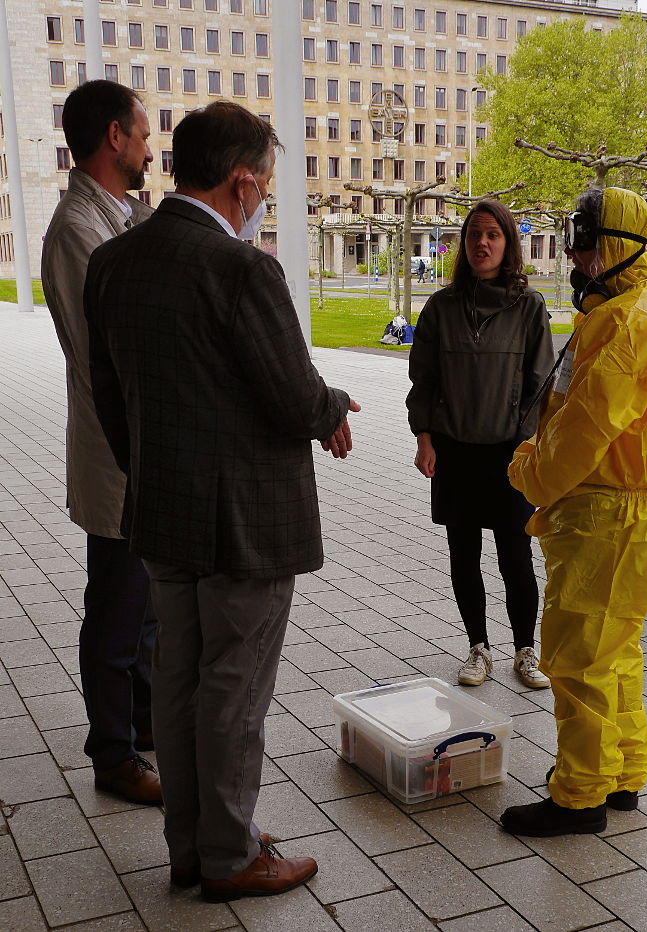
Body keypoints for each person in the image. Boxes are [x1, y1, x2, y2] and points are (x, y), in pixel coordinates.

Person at [84, 101, 358, 901]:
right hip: (245, 524)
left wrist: (153, 468)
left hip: (162, 514)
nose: (265, 196)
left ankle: (194, 844)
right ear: (242, 182)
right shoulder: (244, 268)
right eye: (265, 183)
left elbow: (109, 397)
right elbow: (293, 394)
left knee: (176, 684)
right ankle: (232, 856)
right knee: (233, 688)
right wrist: (333, 406)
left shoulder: (115, 262)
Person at [500, 187, 647, 837]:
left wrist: (529, 472)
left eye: (586, 241)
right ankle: (621, 772)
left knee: (578, 656)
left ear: (615, 244)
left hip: (609, 511)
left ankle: (580, 795)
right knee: (615, 650)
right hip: (625, 509)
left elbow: (584, 426)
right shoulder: (630, 308)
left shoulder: (628, 320)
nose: (577, 255)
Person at [40, 80, 161, 804]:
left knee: (143, 608)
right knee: (116, 609)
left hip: (141, 448)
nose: (150, 146)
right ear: (114, 137)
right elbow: (108, 349)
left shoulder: (121, 215)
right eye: (143, 133)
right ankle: (112, 754)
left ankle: (142, 725)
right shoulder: (75, 230)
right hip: (117, 449)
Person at [406, 199, 554, 689]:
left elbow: (539, 386)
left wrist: (524, 446)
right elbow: (422, 380)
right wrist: (425, 437)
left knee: (516, 555)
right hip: (454, 451)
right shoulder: (442, 308)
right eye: (474, 235)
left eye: (492, 235)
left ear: (508, 243)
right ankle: (477, 647)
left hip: (508, 454)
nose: (482, 244)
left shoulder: (528, 307)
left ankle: (525, 649)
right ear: (463, 244)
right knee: (462, 553)